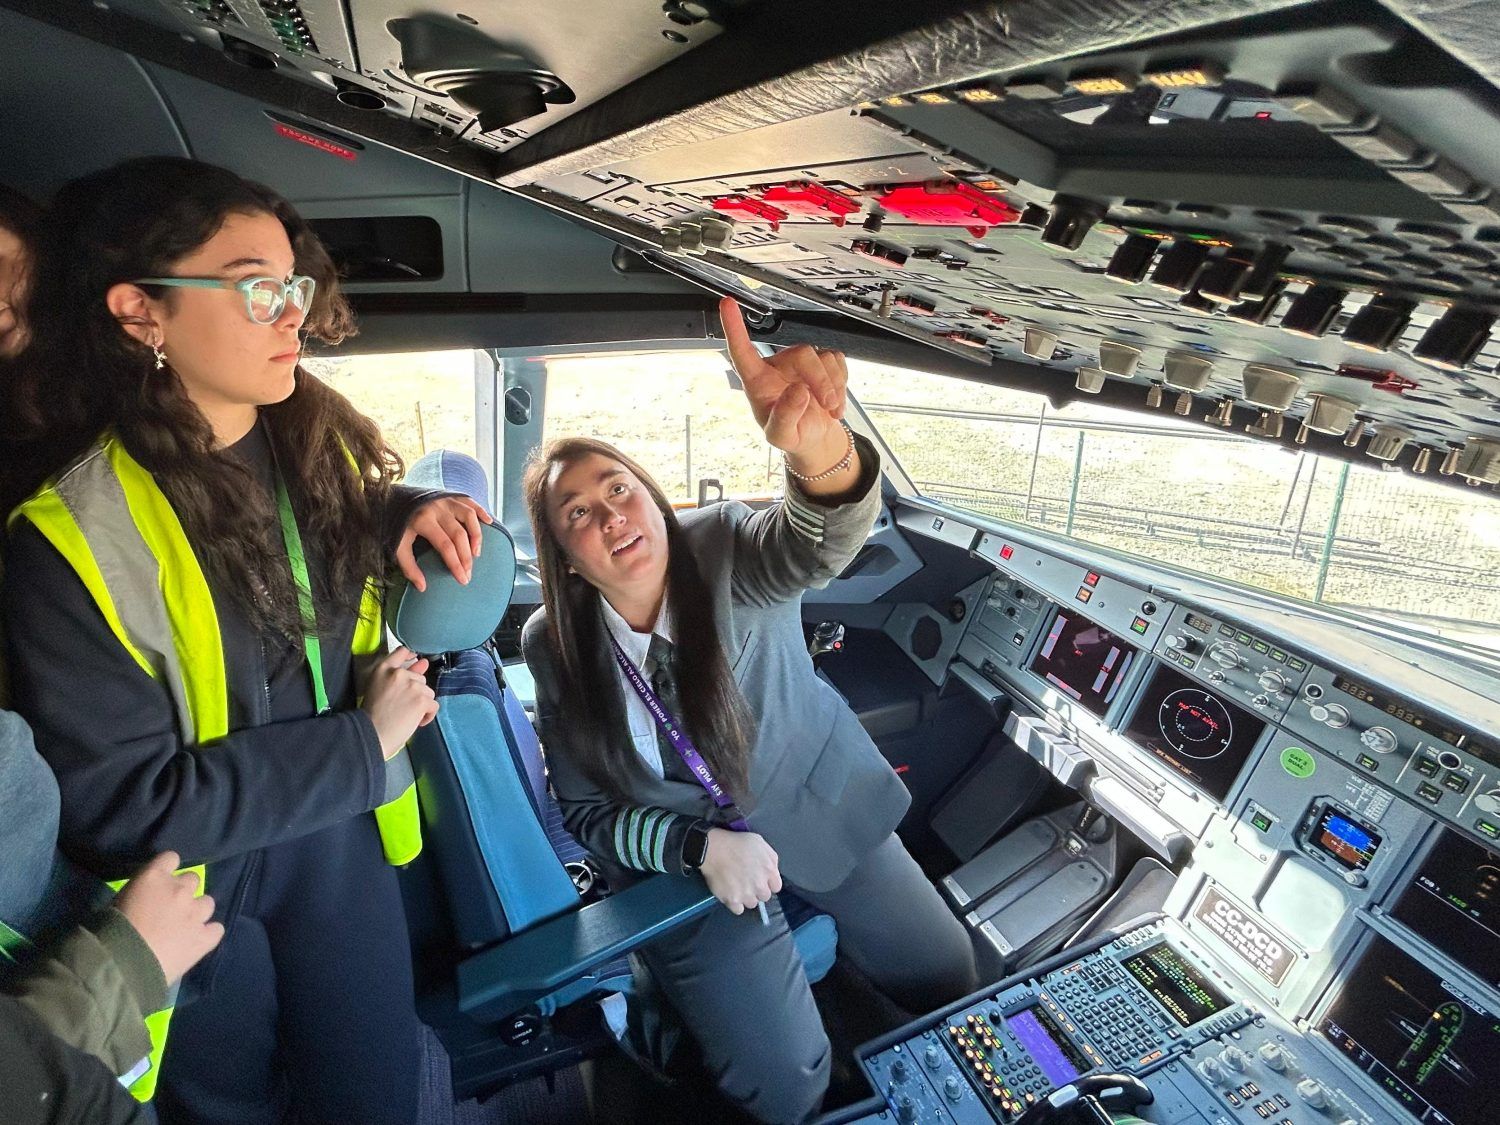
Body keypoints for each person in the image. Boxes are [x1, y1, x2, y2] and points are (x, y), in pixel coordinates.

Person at [1, 156, 487, 1124]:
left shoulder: (321, 448)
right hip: (193, 886)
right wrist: (365, 741)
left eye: (293, 285)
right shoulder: (66, 537)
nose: (291, 316)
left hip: (341, 847)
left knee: (377, 1096)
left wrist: (409, 510)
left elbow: (318, 534)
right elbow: (124, 809)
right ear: (141, 313)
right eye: (255, 289)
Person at [521, 297, 980, 1123]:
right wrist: (698, 845)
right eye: (579, 513)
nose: (612, 515)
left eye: (619, 488)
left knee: (947, 972)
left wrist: (819, 450)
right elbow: (587, 812)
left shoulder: (722, 545)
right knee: (785, 1082)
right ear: (565, 558)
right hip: (691, 868)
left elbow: (820, 536)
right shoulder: (553, 642)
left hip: (815, 801)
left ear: (654, 496)